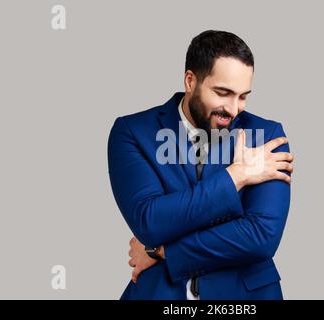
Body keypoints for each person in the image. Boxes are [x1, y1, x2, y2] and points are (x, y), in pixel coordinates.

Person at [107, 30, 294, 300]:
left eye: (243, 96)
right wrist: (237, 176)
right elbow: (150, 221)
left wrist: (161, 251)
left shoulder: (266, 136)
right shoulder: (133, 132)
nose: (233, 109)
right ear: (190, 80)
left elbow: (260, 237)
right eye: (223, 93)